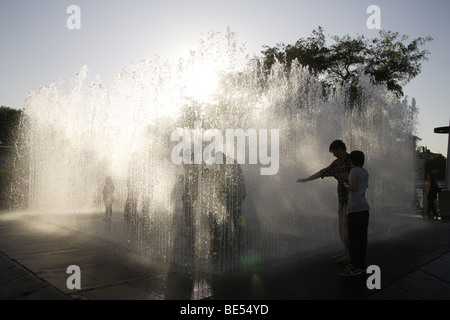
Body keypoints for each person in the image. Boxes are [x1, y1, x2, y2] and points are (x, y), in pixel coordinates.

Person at [296, 140, 352, 264]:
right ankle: (346, 252)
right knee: (343, 227)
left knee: (349, 227)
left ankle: (350, 255)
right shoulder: (336, 164)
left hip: (352, 201)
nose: (333, 154)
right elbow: (323, 172)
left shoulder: (351, 160)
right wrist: (307, 179)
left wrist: (346, 177)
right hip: (342, 199)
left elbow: (358, 175)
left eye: (334, 152)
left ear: (340, 149)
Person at [340, 150, 370, 276]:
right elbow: (362, 185)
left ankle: (354, 266)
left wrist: (345, 185)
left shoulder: (354, 171)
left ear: (352, 160)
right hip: (364, 207)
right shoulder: (365, 171)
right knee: (362, 238)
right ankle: (361, 264)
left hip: (355, 208)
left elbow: (353, 188)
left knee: (353, 239)